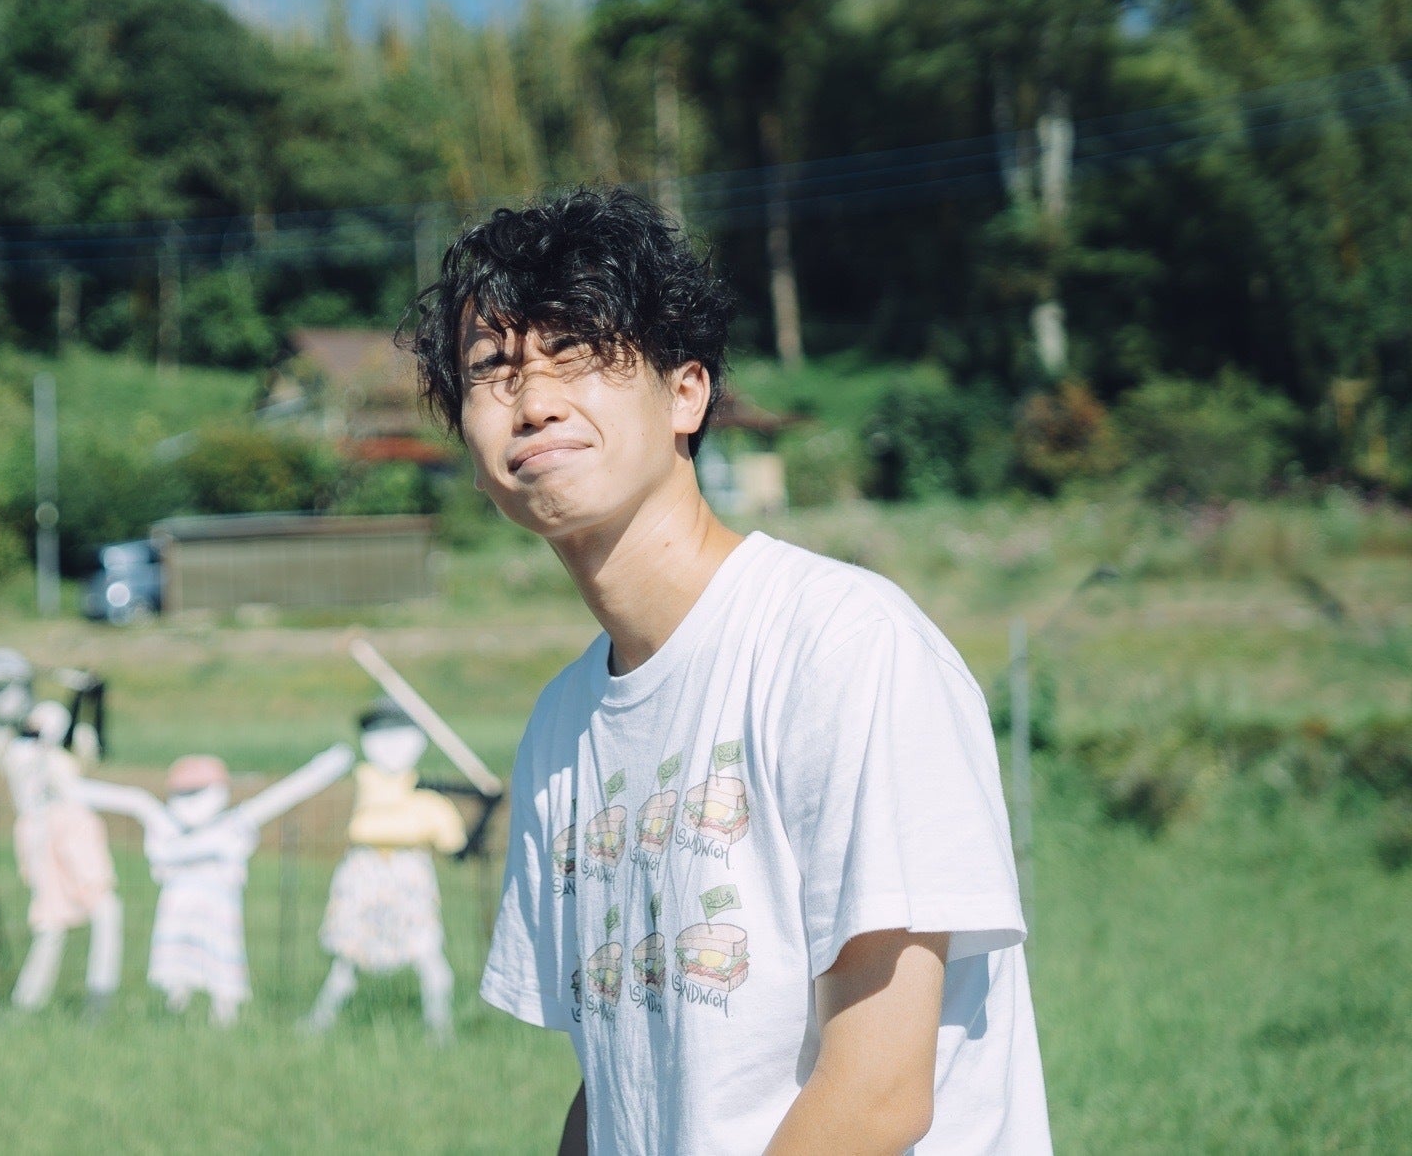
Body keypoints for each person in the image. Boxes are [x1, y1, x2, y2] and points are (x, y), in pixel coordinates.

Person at [405, 188, 1050, 1154]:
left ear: (687, 392)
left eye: (575, 352)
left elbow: (878, 1091)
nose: (533, 401)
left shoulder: (842, 645)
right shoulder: (562, 726)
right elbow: (619, 1082)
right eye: (492, 369)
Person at [95, 745, 352, 1026]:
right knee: (175, 964)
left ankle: (222, 1015)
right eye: (185, 792)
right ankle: (175, 1011)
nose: (191, 801)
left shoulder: (230, 825)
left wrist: (327, 767)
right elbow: (126, 799)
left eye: (198, 791)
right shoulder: (166, 823)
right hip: (177, 909)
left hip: (217, 911)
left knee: (222, 965)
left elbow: (283, 795)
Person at [303, 701, 468, 1042]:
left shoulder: (428, 798)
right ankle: (320, 1021)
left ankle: (439, 1026)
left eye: (400, 734)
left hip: (409, 872)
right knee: (348, 953)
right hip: (364, 869)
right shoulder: (366, 782)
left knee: (426, 951)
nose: (391, 745)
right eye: (380, 734)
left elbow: (453, 842)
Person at [0, 649, 123, 1016]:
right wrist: (75, 698)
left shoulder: (52, 715)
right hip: (37, 831)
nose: (2, 701)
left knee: (105, 908)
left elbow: (84, 747)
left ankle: (99, 1001)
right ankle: (27, 1003)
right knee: (50, 920)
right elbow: (36, 739)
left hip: (74, 822)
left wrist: (93, 699)